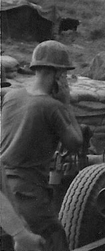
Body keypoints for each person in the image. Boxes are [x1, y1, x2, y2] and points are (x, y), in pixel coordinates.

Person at [1, 40, 83, 251]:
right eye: (63, 74)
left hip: (4, 193)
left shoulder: (11, 96)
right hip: (31, 198)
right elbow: (76, 143)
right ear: (56, 74)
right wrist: (66, 103)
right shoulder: (52, 107)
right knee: (57, 241)